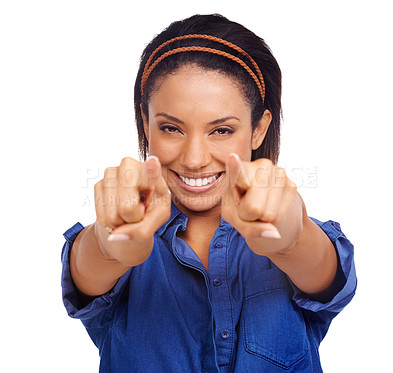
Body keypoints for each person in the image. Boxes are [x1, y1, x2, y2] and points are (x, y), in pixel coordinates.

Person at [61, 14, 356, 372]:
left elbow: (319, 266)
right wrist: (110, 248)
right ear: (145, 124)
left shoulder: (300, 237)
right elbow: (86, 270)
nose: (195, 159)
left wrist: (291, 239)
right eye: (171, 128)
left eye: (221, 131)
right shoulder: (123, 227)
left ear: (258, 129)